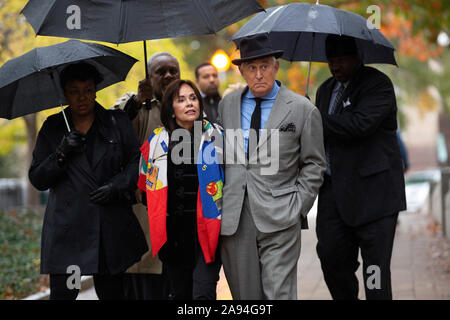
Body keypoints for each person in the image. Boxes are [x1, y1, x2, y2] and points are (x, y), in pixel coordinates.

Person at [217, 33, 326, 300]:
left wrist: (299, 204)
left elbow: (315, 163)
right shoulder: (227, 105)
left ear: (276, 66)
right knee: (246, 297)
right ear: (241, 70)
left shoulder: (302, 109)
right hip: (234, 217)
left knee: (279, 292)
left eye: (264, 66)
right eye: (251, 68)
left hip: (281, 215)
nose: (258, 74)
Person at [28, 62, 147, 300]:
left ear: (95, 91)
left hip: (109, 228)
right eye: (75, 91)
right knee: (64, 295)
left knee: (113, 294)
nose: (82, 97)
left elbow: (139, 162)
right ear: (65, 93)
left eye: (88, 90)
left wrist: (118, 185)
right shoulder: (53, 127)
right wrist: (60, 153)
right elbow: (38, 178)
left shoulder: (116, 122)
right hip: (68, 231)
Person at [315, 34, 407, 300]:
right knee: (331, 260)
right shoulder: (324, 90)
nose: (335, 66)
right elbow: (319, 134)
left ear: (358, 58)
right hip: (333, 195)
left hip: (374, 197)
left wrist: (314, 118)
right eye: (331, 60)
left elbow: (359, 124)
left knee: (375, 272)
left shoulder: (378, 85)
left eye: (341, 60)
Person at [138, 79, 223, 300]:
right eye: (181, 100)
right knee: (180, 295)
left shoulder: (217, 137)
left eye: (193, 98)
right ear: (171, 108)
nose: (189, 103)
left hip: (208, 232)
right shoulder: (155, 143)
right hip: (173, 237)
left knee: (203, 295)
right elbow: (143, 188)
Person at [112, 52, 181, 299]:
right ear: (149, 77)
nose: (168, 75)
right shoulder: (135, 105)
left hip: (181, 223)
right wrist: (137, 102)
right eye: (160, 72)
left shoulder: (188, 107)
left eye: (173, 70)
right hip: (146, 225)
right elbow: (112, 129)